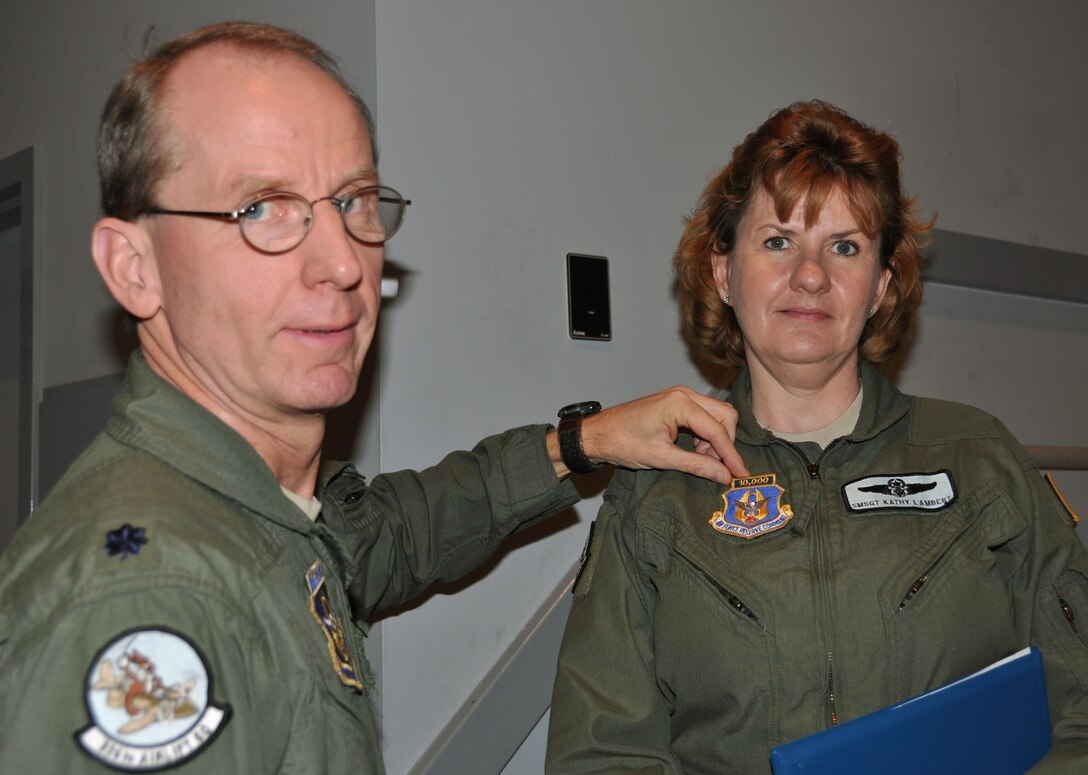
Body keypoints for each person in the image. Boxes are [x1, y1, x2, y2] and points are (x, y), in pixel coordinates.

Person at [0, 22, 750, 773]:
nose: (341, 262)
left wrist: (584, 441)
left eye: (354, 201)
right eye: (262, 206)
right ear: (134, 268)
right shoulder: (150, 604)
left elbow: (387, 535)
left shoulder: (262, 505)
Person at [546, 100, 1088, 773]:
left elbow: (1081, 710)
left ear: (882, 283)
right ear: (723, 269)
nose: (810, 275)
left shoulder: (979, 459)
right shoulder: (659, 491)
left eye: (845, 246)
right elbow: (599, 755)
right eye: (778, 240)